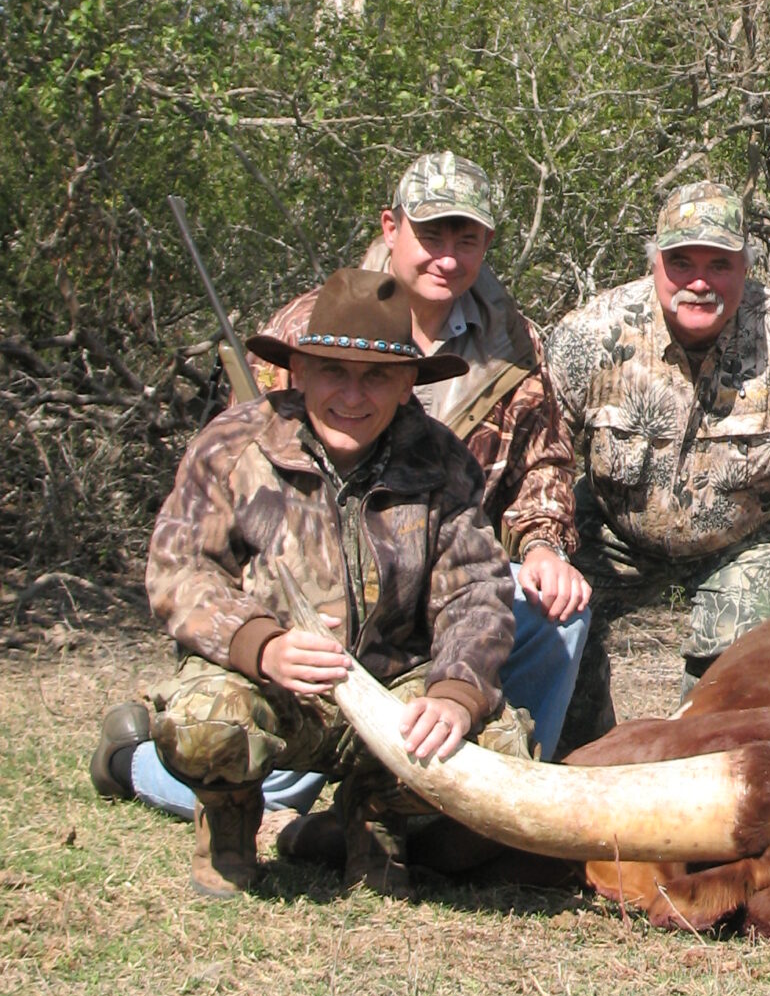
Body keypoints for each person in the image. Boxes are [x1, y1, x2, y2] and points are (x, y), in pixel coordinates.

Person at [93, 151, 595, 832]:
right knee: (260, 775)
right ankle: (136, 759)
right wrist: (260, 634)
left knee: (548, 619)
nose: (448, 257)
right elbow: (218, 528)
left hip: (433, 591)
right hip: (308, 609)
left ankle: (495, 785)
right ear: (392, 228)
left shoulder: (512, 341)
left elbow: (545, 461)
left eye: (466, 238)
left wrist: (542, 547)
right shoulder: (308, 322)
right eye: (431, 235)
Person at [143, 267, 522, 900]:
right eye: (333, 372)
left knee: (501, 745)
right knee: (205, 720)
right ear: (298, 373)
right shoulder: (234, 443)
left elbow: (477, 591)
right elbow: (178, 569)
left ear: (407, 385)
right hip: (268, 688)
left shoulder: (442, 461)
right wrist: (260, 645)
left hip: (391, 696)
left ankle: (374, 817)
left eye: (376, 376)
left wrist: (455, 693)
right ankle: (231, 816)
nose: (353, 395)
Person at [546, 181, 770, 695]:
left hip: (751, 537)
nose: (700, 282)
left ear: (745, 267)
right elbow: (539, 453)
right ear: (654, 263)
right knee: (551, 633)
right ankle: (580, 758)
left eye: (720, 265)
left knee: (735, 684)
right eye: (682, 262)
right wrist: (542, 547)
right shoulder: (593, 333)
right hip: (616, 532)